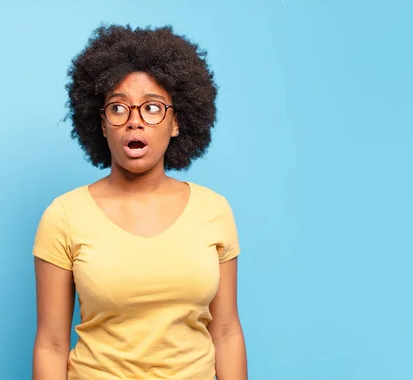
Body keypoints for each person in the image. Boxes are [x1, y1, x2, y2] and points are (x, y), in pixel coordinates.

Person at [32, 24, 247, 380]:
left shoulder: (214, 211)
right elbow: (51, 344)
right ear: (101, 124)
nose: (134, 122)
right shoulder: (65, 216)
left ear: (177, 121)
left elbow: (226, 333)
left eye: (152, 108)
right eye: (118, 108)